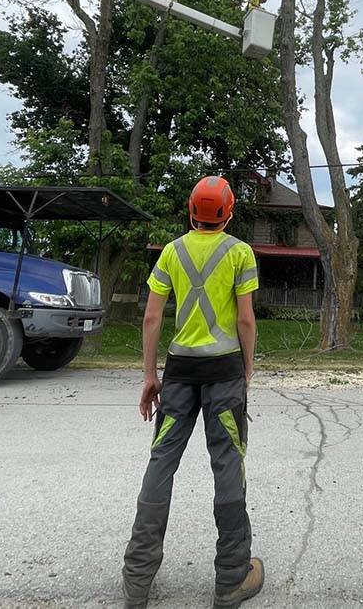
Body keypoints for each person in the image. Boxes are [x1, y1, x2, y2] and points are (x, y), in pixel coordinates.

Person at [122, 175, 264, 609]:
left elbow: (151, 318)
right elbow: (244, 321)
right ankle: (231, 579)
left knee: (161, 462)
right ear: (229, 212)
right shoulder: (240, 252)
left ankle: (137, 581)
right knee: (227, 466)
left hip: (179, 374)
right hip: (224, 376)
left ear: (190, 211)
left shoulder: (171, 251)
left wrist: (150, 376)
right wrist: (246, 367)